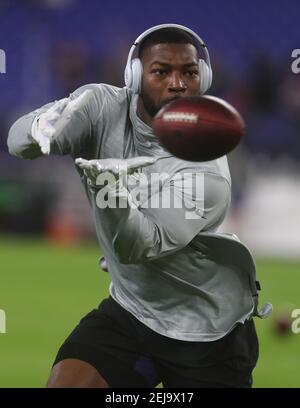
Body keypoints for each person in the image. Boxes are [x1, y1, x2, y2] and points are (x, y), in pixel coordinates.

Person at [7, 24, 271, 388]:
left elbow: (135, 246)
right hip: (133, 311)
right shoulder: (100, 106)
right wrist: (38, 129)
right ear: (134, 76)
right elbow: (17, 143)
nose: (177, 83)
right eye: (161, 71)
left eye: (189, 73)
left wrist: (109, 187)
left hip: (206, 332)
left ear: (204, 79)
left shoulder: (209, 173)